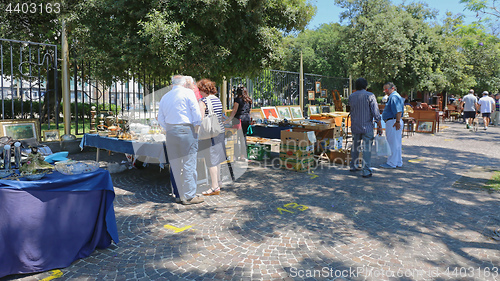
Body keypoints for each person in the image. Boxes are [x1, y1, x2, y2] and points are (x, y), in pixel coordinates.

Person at [157, 75, 204, 205]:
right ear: (183, 83)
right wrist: (196, 127)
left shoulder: (165, 97)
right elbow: (196, 113)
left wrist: (169, 128)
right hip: (186, 129)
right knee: (189, 163)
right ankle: (189, 196)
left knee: (175, 164)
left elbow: (160, 118)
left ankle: (178, 194)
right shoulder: (188, 93)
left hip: (171, 131)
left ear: (172, 84)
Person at [348, 78, 383, 178]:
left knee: (355, 146)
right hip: (367, 126)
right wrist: (379, 126)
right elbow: (375, 112)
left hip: (355, 125)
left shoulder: (351, 96)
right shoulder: (370, 96)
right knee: (366, 148)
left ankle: (353, 165)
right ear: (365, 86)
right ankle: (366, 170)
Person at [197, 79, 227, 196]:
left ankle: (214, 187)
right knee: (217, 159)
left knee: (211, 161)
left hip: (209, 134)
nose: (199, 92)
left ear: (203, 90)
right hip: (219, 131)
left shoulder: (203, 101)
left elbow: (200, 119)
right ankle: (218, 182)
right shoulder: (217, 99)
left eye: (200, 89)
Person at [224, 86, 252, 160]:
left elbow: (234, 111)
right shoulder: (248, 100)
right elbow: (249, 111)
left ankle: (235, 155)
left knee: (236, 138)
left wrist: (228, 120)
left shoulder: (237, 99)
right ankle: (243, 155)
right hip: (247, 119)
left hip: (238, 120)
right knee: (243, 137)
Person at [380, 82, 404, 169]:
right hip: (394, 121)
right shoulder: (395, 96)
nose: (385, 91)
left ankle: (392, 162)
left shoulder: (393, 97)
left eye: (386, 89)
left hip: (393, 121)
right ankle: (397, 161)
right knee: (396, 143)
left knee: (392, 143)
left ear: (392, 88)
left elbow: (398, 111)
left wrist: (397, 121)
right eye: (384, 89)